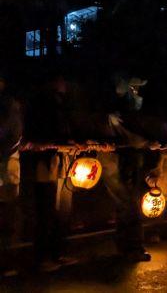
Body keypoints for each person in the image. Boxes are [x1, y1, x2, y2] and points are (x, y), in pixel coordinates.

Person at [100, 76, 161, 262]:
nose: (137, 94)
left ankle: (126, 247)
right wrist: (147, 143)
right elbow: (130, 137)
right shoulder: (116, 115)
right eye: (133, 90)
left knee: (126, 205)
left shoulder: (126, 114)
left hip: (126, 163)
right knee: (128, 205)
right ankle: (132, 247)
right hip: (115, 164)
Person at [21, 75, 76, 272]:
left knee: (63, 210)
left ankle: (59, 252)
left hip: (64, 162)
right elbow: (35, 132)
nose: (64, 84)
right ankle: (43, 256)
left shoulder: (63, 104)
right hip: (46, 162)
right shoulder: (39, 103)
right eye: (60, 79)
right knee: (46, 209)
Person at [0, 75, 22, 277]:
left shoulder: (9, 105)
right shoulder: (9, 105)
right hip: (6, 164)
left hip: (6, 166)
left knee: (6, 214)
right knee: (6, 213)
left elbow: (13, 137)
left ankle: (5, 261)